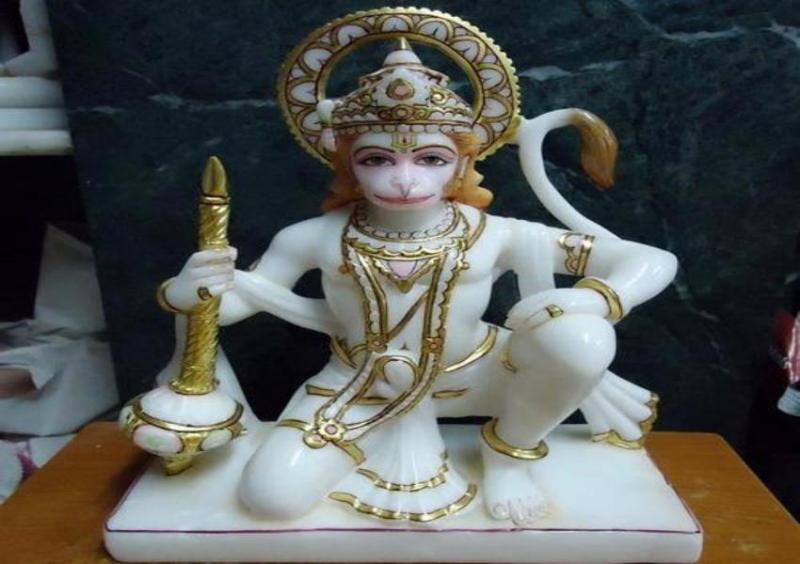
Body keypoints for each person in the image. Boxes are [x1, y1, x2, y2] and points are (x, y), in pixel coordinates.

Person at [160, 40, 677, 526]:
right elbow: (239, 301)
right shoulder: (312, 237)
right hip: (360, 385)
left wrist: (594, 298)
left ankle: (508, 458)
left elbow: (650, 259)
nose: (405, 179)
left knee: (581, 337)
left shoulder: (495, 234)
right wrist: (188, 292)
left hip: (483, 378)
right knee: (271, 499)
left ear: (462, 163)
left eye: (430, 159)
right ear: (347, 164)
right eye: (377, 160)